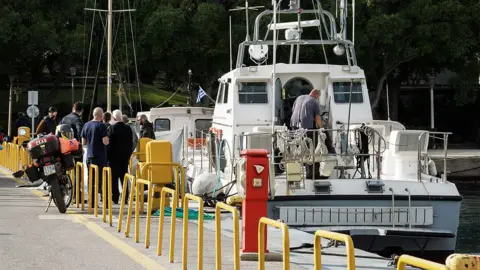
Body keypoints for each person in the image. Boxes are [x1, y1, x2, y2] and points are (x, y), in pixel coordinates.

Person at [290, 89, 323, 180]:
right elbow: (317, 118)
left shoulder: (299, 98)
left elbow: (293, 111)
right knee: (311, 150)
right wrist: (321, 128)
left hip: (294, 127)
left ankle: (293, 174)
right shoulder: (314, 102)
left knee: (296, 150)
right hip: (307, 129)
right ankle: (312, 174)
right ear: (317, 95)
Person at [81, 107, 109, 208]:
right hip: (100, 157)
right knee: (102, 179)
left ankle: (92, 202)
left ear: (93, 114)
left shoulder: (86, 125)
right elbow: (105, 141)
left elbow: (83, 142)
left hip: (89, 156)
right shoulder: (102, 126)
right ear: (101, 116)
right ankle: (105, 202)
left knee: (91, 179)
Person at [60, 101, 85, 203]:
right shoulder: (78, 120)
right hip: (74, 150)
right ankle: (76, 195)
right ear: (82, 111)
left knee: (63, 170)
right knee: (77, 171)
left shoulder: (64, 118)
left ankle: (64, 191)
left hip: (63, 148)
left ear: (73, 108)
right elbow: (80, 134)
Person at [108, 110, 133, 204]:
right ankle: (125, 197)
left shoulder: (112, 128)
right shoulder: (128, 128)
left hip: (114, 157)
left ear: (114, 118)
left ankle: (115, 197)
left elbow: (109, 144)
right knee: (124, 177)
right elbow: (131, 142)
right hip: (125, 156)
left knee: (114, 178)